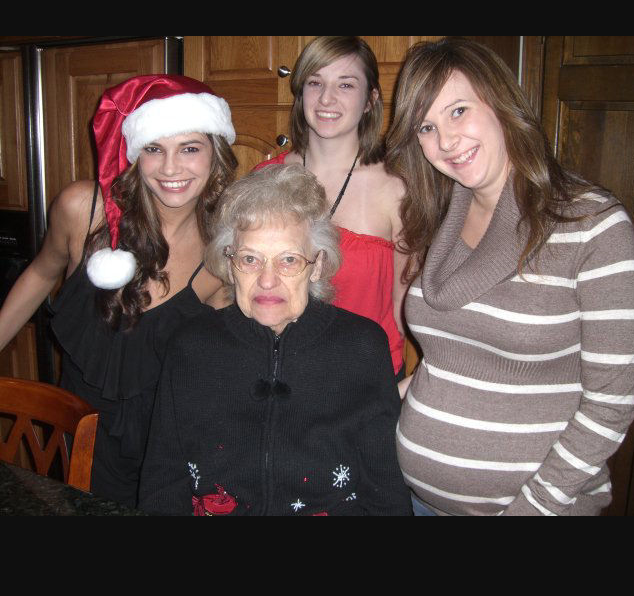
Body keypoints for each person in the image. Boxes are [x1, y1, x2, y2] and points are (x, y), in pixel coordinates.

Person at [385, 37, 634, 516]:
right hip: (419, 502)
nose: (446, 141)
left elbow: (610, 404)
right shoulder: (439, 218)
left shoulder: (593, 225)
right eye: (427, 127)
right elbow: (451, 363)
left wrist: (531, 510)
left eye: (458, 111)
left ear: (501, 103)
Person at [0, 74, 238, 507]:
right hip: (80, 431)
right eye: (153, 149)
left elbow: (218, 363)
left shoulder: (223, 252)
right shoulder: (84, 210)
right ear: (133, 153)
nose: (170, 169)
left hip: (166, 442)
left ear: (216, 154)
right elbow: (40, 275)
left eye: (189, 148)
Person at [138, 163, 412, 516]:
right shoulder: (191, 346)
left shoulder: (361, 347)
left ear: (317, 265)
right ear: (229, 263)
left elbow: (386, 492)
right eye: (250, 259)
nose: (267, 281)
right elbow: (163, 483)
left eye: (288, 260)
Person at [253, 36, 408, 381]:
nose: (326, 98)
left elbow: (407, 310)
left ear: (370, 100)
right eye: (315, 82)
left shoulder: (397, 189)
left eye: (346, 84)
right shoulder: (264, 178)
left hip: (365, 380)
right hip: (279, 378)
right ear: (301, 94)